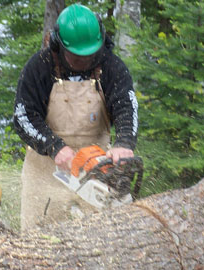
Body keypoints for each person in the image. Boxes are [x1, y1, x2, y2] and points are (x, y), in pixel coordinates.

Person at [14, 4, 138, 231]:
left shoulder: (111, 67)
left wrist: (124, 143)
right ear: (58, 46)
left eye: (91, 54)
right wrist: (54, 146)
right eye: (77, 56)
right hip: (45, 167)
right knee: (35, 240)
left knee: (107, 235)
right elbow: (23, 117)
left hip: (96, 167)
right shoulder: (40, 68)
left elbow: (126, 107)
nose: (86, 60)